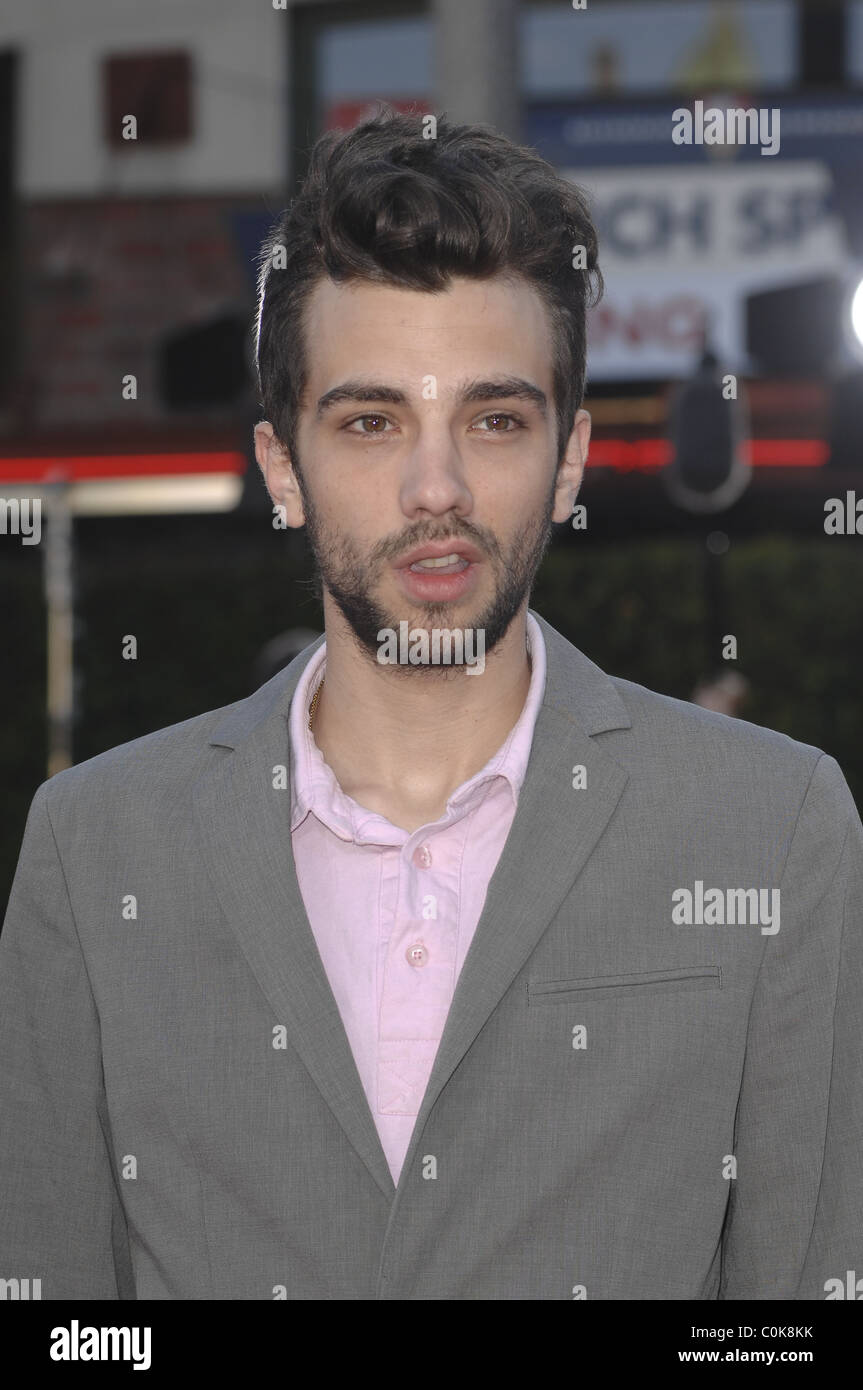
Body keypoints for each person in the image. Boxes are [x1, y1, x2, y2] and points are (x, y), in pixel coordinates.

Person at [1, 104, 860, 1301]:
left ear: (564, 463)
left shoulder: (770, 828)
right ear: (280, 470)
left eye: (493, 418)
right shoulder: (94, 854)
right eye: (369, 422)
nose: (435, 485)